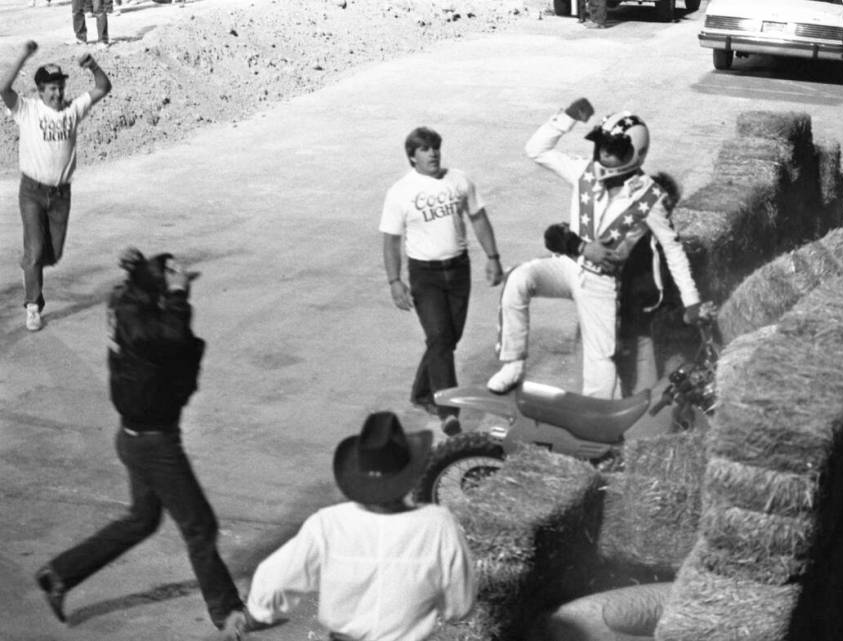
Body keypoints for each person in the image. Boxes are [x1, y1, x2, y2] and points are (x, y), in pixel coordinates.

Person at [34, 248, 247, 638]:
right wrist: (178, 295)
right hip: (155, 445)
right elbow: (175, 335)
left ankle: (60, 574)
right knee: (199, 526)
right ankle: (226, 610)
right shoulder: (148, 329)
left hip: (136, 436)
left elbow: (137, 300)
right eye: (171, 289)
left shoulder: (129, 306)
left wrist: (140, 271)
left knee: (142, 519)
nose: (179, 294)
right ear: (158, 294)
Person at [487, 98, 703, 398]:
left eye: (614, 148)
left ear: (635, 153)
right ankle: (512, 363)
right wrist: (566, 118)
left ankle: (600, 428)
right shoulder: (583, 171)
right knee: (518, 279)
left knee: (600, 367)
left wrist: (692, 301)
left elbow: (673, 249)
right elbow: (535, 150)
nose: (605, 153)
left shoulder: (651, 197)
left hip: (603, 285)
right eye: (602, 145)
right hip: (570, 265)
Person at [221, 411, 476, 641]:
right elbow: (460, 607)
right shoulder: (438, 526)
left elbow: (274, 578)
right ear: (410, 475)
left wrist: (251, 617)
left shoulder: (328, 524)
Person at [380, 127, 504, 436]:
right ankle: (448, 410)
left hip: (458, 270)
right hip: (425, 275)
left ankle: (422, 392)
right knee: (439, 337)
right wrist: (395, 281)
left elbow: (478, 218)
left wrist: (492, 257)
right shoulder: (400, 191)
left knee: (447, 338)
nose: (433, 153)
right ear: (412, 156)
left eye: (435, 147)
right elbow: (391, 240)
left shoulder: (459, 180)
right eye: (424, 149)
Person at [1, 41, 111, 331]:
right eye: (51, 88)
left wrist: (92, 66)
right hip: (32, 192)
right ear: (40, 91)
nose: (57, 92)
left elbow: (103, 88)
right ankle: (33, 305)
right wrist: (23, 55)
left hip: (61, 195)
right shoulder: (27, 110)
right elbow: (4, 90)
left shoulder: (73, 109)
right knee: (36, 250)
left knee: (53, 253)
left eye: (60, 86)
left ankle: (30, 262)